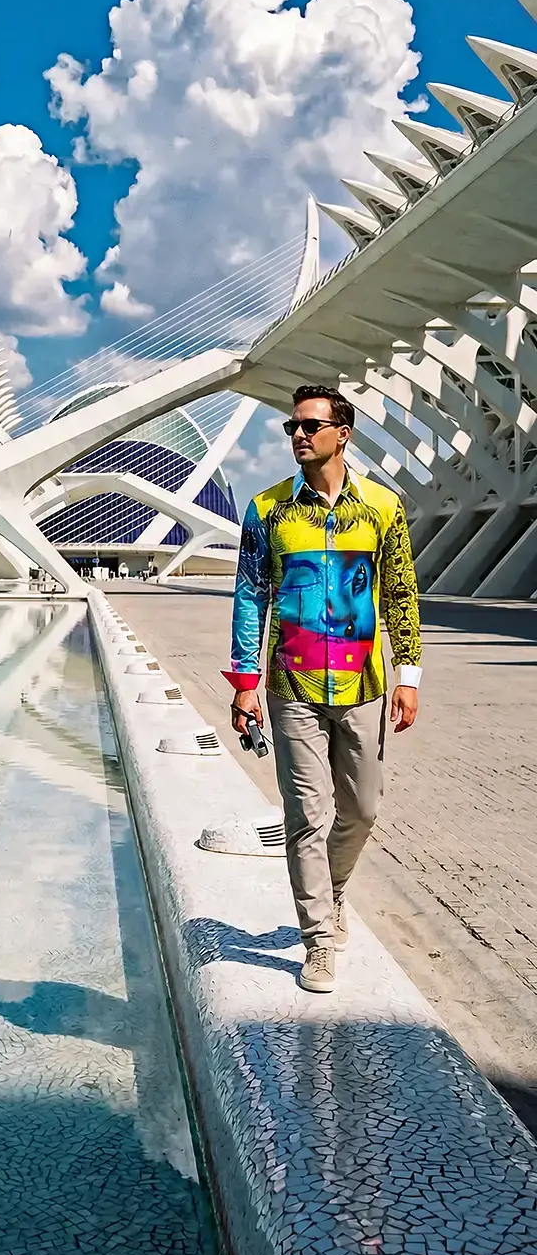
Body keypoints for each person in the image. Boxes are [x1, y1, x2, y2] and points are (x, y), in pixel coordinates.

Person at [223, 385, 422, 994]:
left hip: (364, 684)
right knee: (306, 814)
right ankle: (318, 940)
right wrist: (245, 683)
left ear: (343, 434)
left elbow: (400, 592)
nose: (299, 435)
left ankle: (332, 891)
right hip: (292, 685)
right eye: (293, 427)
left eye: (311, 425)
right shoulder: (267, 509)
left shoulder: (383, 507)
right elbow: (250, 595)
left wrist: (409, 674)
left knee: (362, 809)